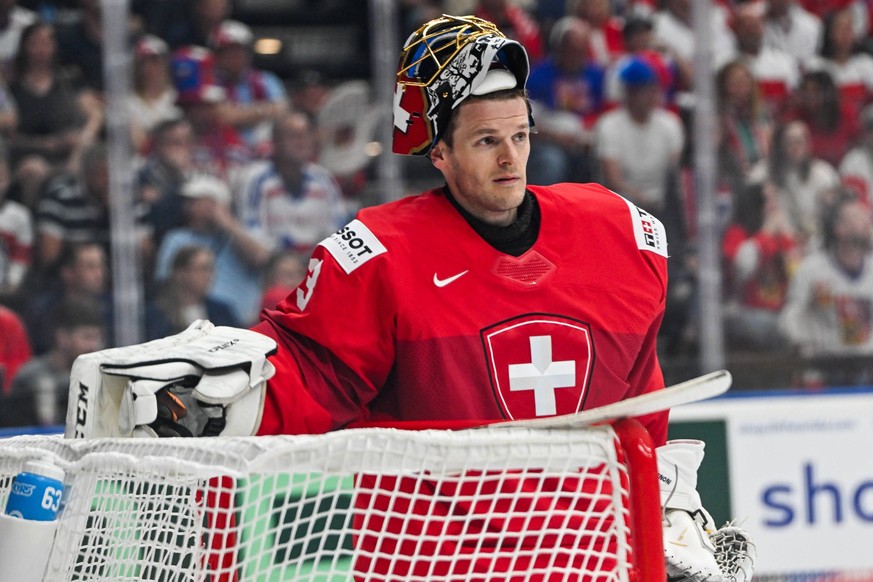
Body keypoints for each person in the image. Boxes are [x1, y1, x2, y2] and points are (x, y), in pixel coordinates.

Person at [72, 15, 755, 581]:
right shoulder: (377, 255)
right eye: (486, 141)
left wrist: (666, 501)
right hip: (433, 559)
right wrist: (208, 402)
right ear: (441, 155)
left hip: (583, 554)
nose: (510, 158)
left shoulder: (616, 233)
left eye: (519, 136)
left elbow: (638, 392)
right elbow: (307, 376)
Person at [155, 174, 269, 326]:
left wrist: (227, 223)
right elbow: (165, 281)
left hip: (241, 322)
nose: (188, 207)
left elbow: (262, 259)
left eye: (197, 202)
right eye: (188, 202)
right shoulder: (177, 238)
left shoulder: (238, 238)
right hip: (194, 318)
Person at [235, 111, 349, 258]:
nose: (301, 142)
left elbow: (337, 227)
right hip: (270, 270)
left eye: (306, 135)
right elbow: (252, 230)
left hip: (317, 266)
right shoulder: (255, 178)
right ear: (275, 142)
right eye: (293, 136)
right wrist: (284, 261)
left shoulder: (324, 179)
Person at [6, 298, 104, 427]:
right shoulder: (29, 376)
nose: (92, 346)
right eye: (87, 337)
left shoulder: (101, 375)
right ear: (62, 337)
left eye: (96, 338)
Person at [209, 19, 289, 155]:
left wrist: (238, 114)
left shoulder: (265, 80)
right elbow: (221, 117)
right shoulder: (210, 81)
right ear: (216, 55)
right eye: (227, 52)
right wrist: (263, 110)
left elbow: (283, 110)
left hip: (262, 152)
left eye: (239, 51)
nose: (235, 57)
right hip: (222, 154)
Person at [145, 244, 240, 340]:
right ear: (181, 274)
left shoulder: (222, 311)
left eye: (211, 269)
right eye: (203, 269)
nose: (209, 276)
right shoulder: (157, 315)